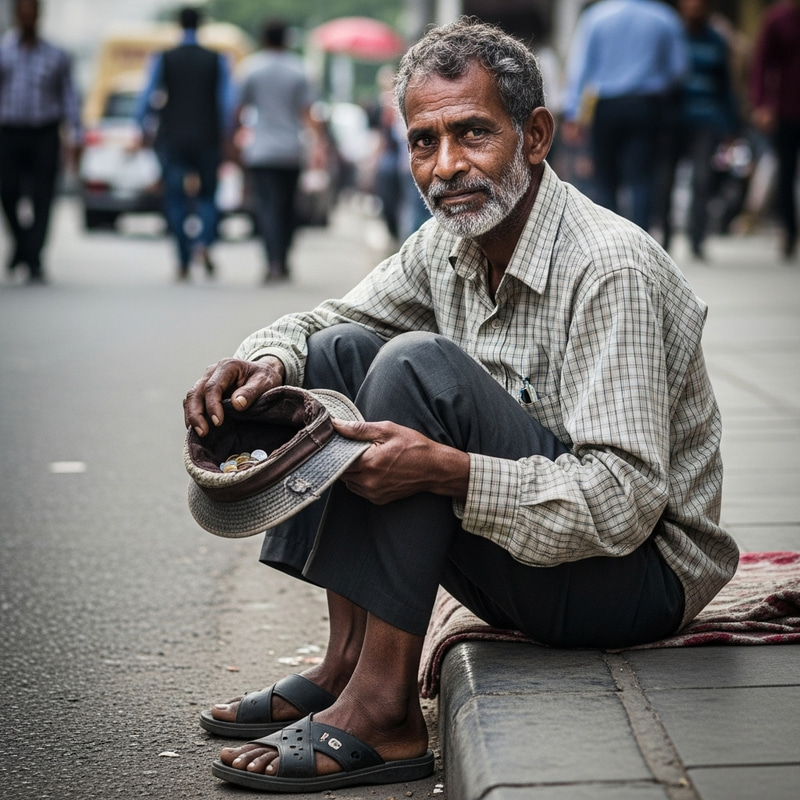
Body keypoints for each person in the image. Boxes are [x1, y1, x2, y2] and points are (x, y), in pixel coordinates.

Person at [183, 19, 738, 792]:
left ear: (535, 135)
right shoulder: (449, 240)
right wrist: (259, 359)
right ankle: (348, 663)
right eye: (423, 141)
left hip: (635, 578)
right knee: (339, 352)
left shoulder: (610, 269)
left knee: (416, 367)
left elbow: (625, 506)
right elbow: (331, 322)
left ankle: (385, 709)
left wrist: (453, 474)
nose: (445, 168)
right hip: (542, 552)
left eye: (473, 133)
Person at [562, 0, 688, 231]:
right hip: (646, 106)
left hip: (607, 106)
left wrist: (573, 112)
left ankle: (608, 238)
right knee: (642, 177)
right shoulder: (664, 18)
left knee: (605, 178)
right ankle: (640, 238)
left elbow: (580, 68)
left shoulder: (596, 17)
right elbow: (678, 69)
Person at [135, 5, 235, 281]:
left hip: (173, 136)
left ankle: (182, 257)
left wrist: (140, 127)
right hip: (207, 136)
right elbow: (227, 103)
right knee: (207, 197)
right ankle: (203, 242)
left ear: (178, 25)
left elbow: (146, 97)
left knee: (176, 197)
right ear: (201, 25)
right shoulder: (218, 59)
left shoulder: (164, 57)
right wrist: (228, 135)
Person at [0, 0, 82, 284]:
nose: (26, 16)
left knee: (43, 197)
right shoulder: (3, 52)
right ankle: (24, 245)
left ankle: (33, 257)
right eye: (21, 10)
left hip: (45, 132)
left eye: (31, 10)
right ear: (15, 15)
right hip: (8, 131)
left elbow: (69, 96)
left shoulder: (55, 55)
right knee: (7, 192)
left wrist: (76, 136)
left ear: (38, 14)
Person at [235, 18, 319, 283]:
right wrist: (320, 144)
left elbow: (238, 110)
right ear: (286, 39)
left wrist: (232, 140)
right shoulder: (299, 69)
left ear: (263, 39)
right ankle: (282, 258)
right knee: (287, 206)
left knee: (266, 207)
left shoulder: (250, 68)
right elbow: (308, 113)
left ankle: (271, 260)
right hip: (290, 150)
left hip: (260, 150)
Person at [656, 0, 739, 259]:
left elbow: (726, 85)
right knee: (667, 178)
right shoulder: (671, 33)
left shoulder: (716, 39)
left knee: (702, 179)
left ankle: (697, 238)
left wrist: (730, 125)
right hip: (674, 119)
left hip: (706, 119)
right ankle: (666, 236)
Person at [749, 0, 800, 260]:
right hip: (788, 109)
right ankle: (789, 230)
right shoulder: (778, 19)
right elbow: (762, 63)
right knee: (786, 172)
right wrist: (762, 104)